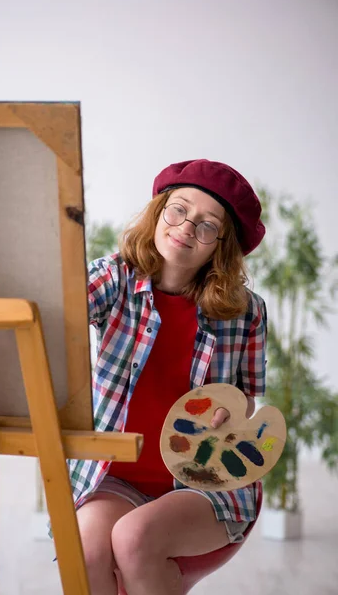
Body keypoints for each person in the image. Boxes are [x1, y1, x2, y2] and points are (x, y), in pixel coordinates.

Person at [69, 159, 267, 595]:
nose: (186, 228)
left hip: (205, 481)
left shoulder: (247, 311)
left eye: (207, 225)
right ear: (159, 212)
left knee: (134, 537)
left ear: (221, 244)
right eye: (178, 210)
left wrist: (230, 411)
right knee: (84, 549)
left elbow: (250, 397)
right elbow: (60, 303)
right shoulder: (114, 278)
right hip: (116, 477)